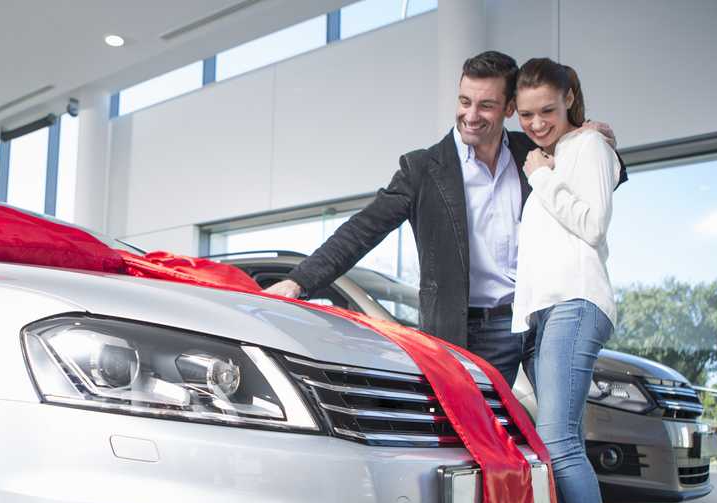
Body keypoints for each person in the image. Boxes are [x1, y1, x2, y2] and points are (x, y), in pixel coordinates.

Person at [266, 51, 622, 393]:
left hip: (538, 317)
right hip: (472, 330)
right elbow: (362, 229)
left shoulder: (530, 152)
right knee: (473, 429)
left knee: (557, 426)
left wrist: (590, 139)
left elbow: (594, 184)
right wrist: (299, 282)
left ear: (509, 108)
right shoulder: (423, 169)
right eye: (465, 101)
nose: (471, 115)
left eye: (486, 105)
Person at [513, 58, 634, 503]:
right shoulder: (556, 154)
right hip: (547, 313)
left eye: (548, 111)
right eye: (526, 114)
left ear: (570, 100)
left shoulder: (587, 147)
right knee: (559, 447)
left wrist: (541, 175)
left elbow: (592, 226)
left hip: (576, 303)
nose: (538, 123)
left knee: (558, 444)